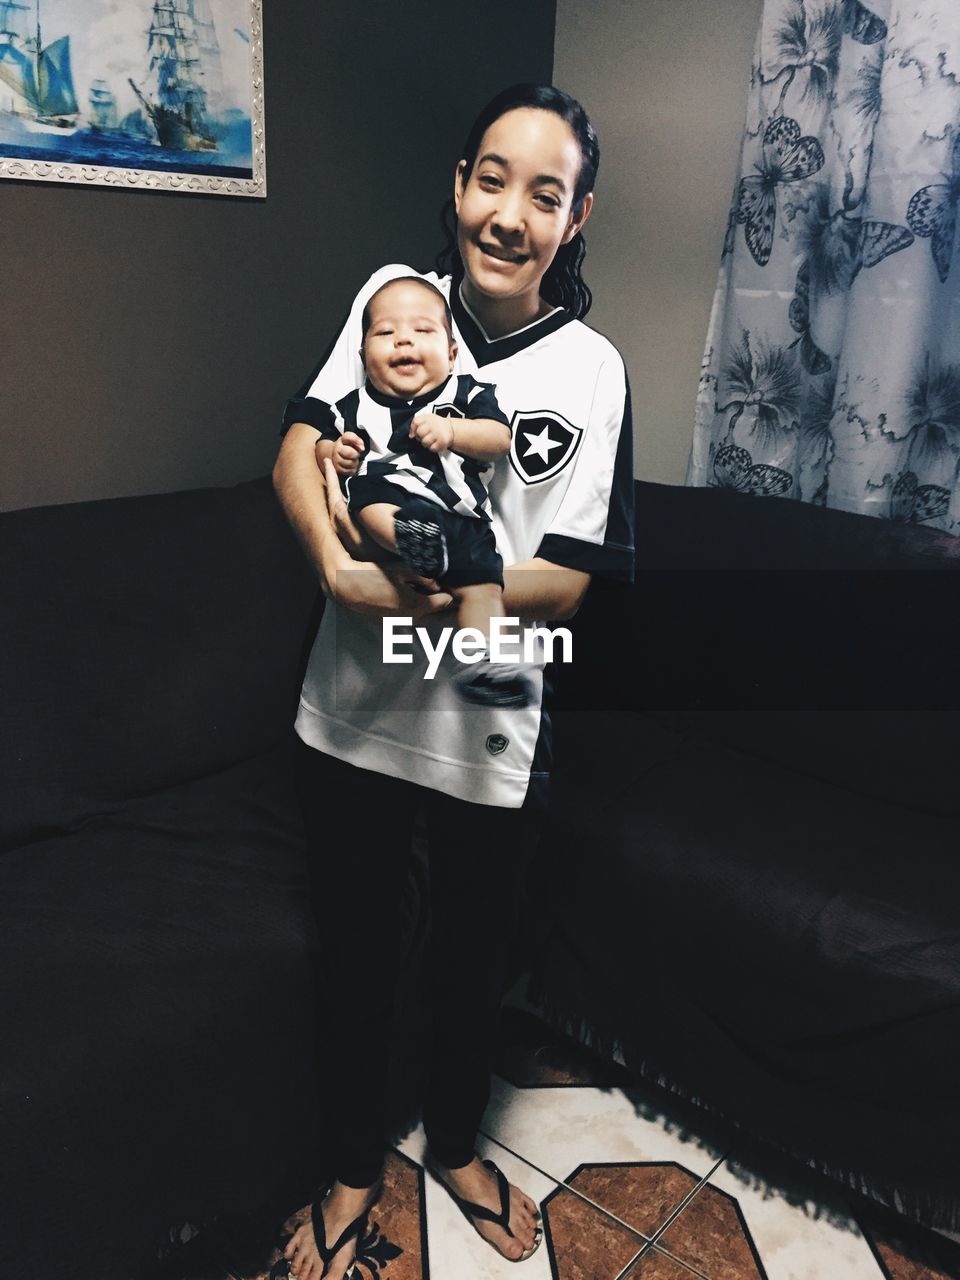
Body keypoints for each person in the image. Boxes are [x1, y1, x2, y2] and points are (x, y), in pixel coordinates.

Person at [274, 83, 634, 1280]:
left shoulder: (593, 370)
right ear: (459, 183)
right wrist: (335, 562)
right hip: (355, 716)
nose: (510, 213)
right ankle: (347, 1164)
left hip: (489, 723)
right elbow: (299, 440)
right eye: (493, 178)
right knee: (356, 952)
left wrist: (421, 593)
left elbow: (571, 579)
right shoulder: (396, 303)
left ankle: (461, 1143)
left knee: (477, 956)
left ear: (576, 218)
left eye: (545, 193)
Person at [317, 273, 532, 707]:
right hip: (393, 500)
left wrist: (452, 430)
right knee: (371, 498)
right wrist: (338, 452)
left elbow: (499, 439)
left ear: (452, 355)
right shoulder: (356, 404)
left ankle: (490, 663)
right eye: (386, 332)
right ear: (364, 355)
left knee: (485, 590)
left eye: (422, 330)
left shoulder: (467, 393)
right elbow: (322, 444)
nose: (403, 341)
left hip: (461, 521)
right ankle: (410, 538)